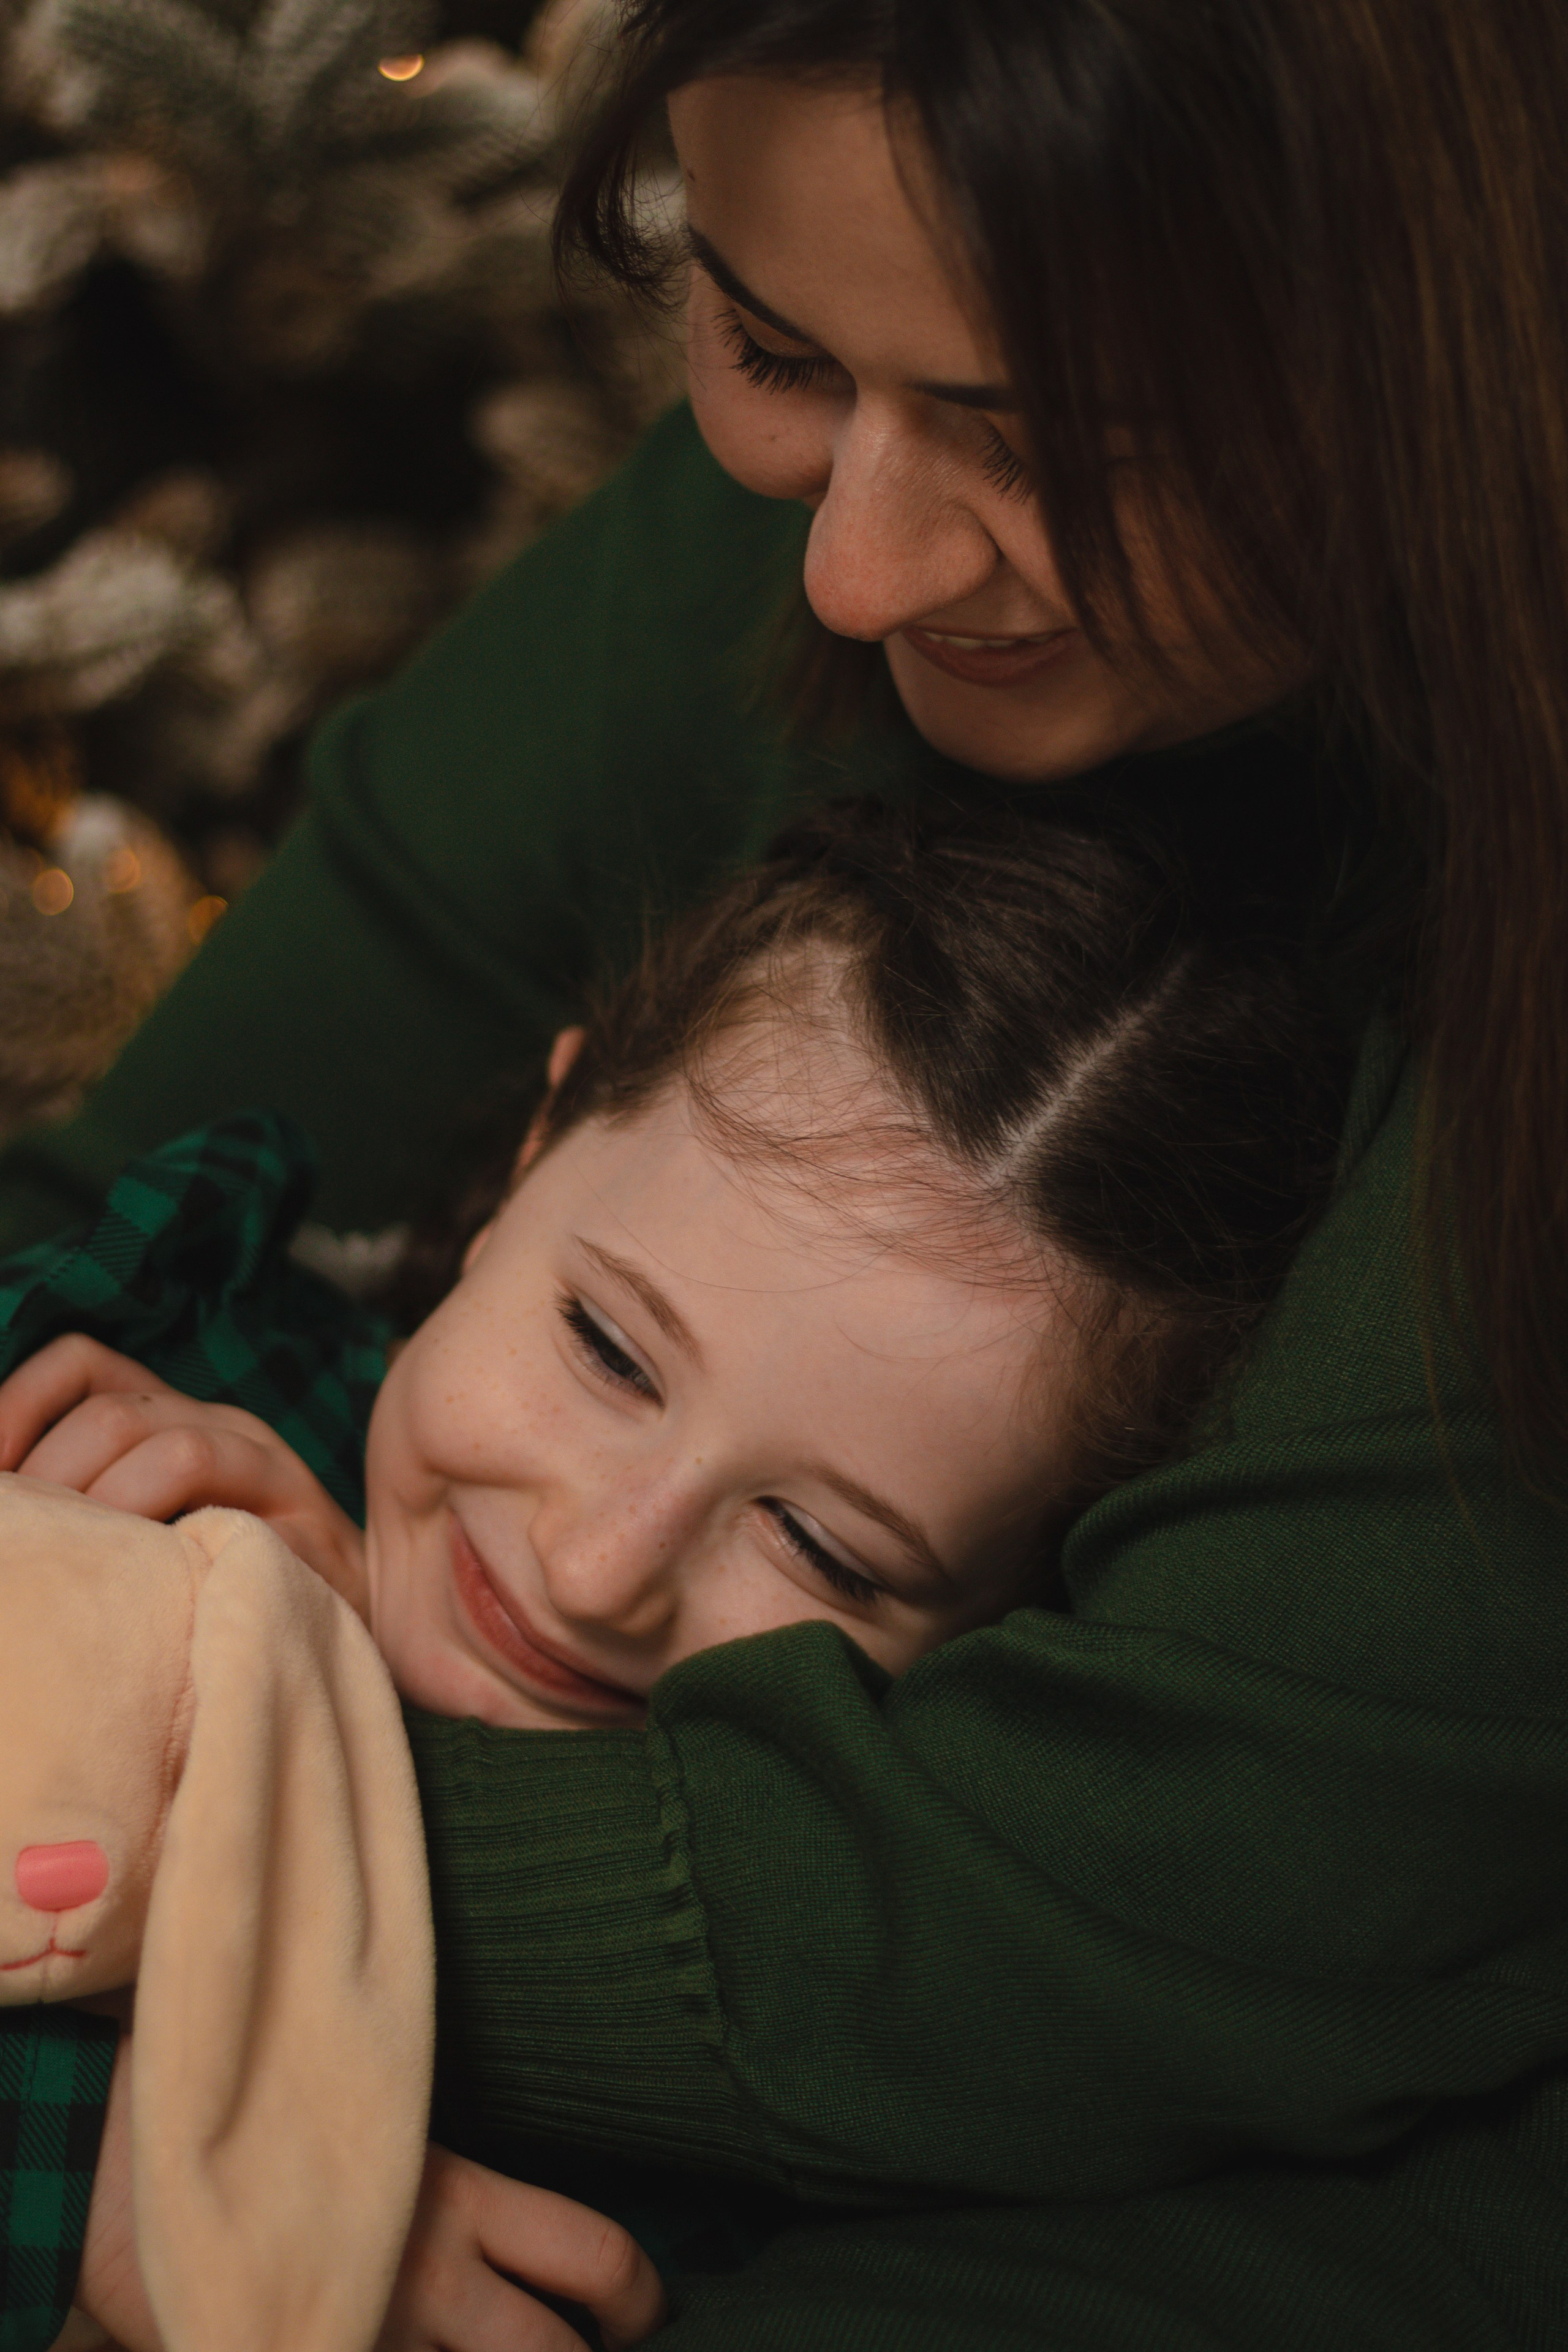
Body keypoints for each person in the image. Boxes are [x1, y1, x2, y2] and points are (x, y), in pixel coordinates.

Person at [2, 1, 1567, 2345]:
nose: (851, 571)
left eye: (1067, 442)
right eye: (770, 348)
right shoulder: (191, 1366)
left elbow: (1157, 1918)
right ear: (535, 1127)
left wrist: (254, 2079)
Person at [1, 801, 1349, 2342]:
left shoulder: (824, 2079)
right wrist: (119, 2162)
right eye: (606, 1349)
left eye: (821, 1546)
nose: (595, 1569)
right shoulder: (143, 1385)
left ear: (1006, 1627)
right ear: (537, 1145)